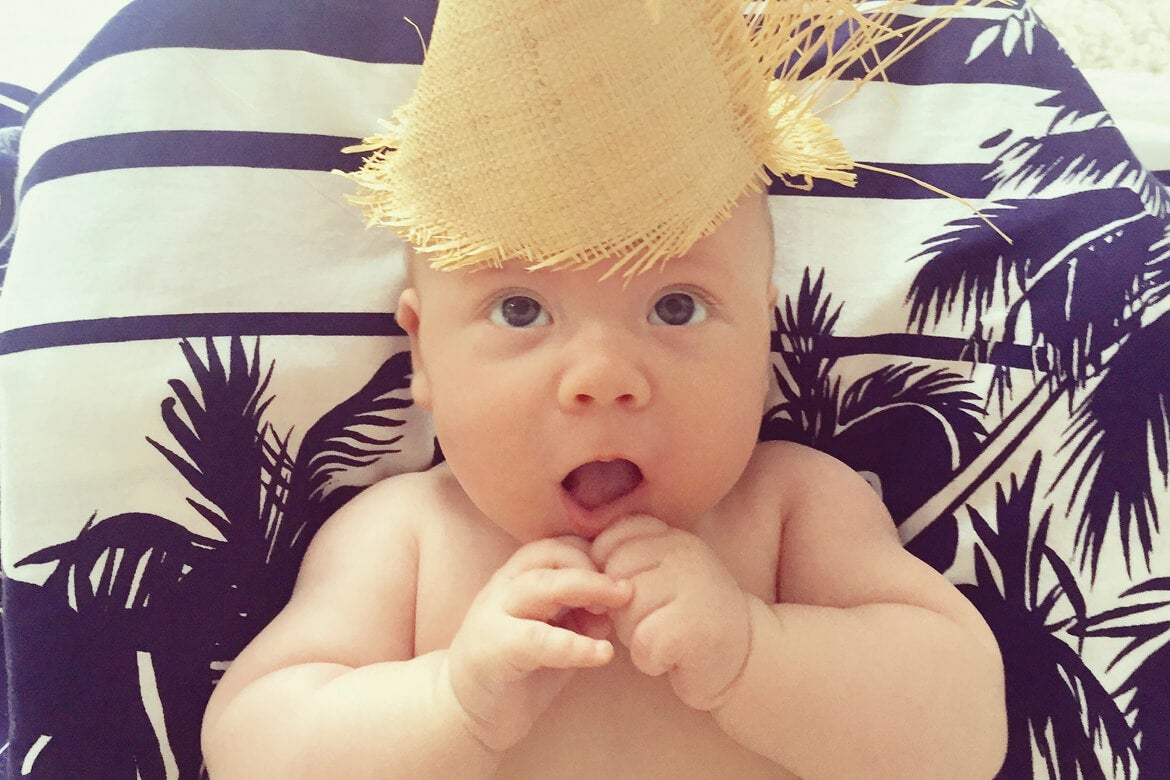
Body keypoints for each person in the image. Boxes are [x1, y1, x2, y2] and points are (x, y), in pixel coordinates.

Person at [202, 1, 1008, 777]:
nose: (604, 378)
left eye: (676, 306)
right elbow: (250, 746)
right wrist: (451, 703)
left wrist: (758, 654)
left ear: (762, 341)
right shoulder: (402, 540)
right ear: (424, 355)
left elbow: (967, 735)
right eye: (520, 310)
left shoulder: (792, 512)